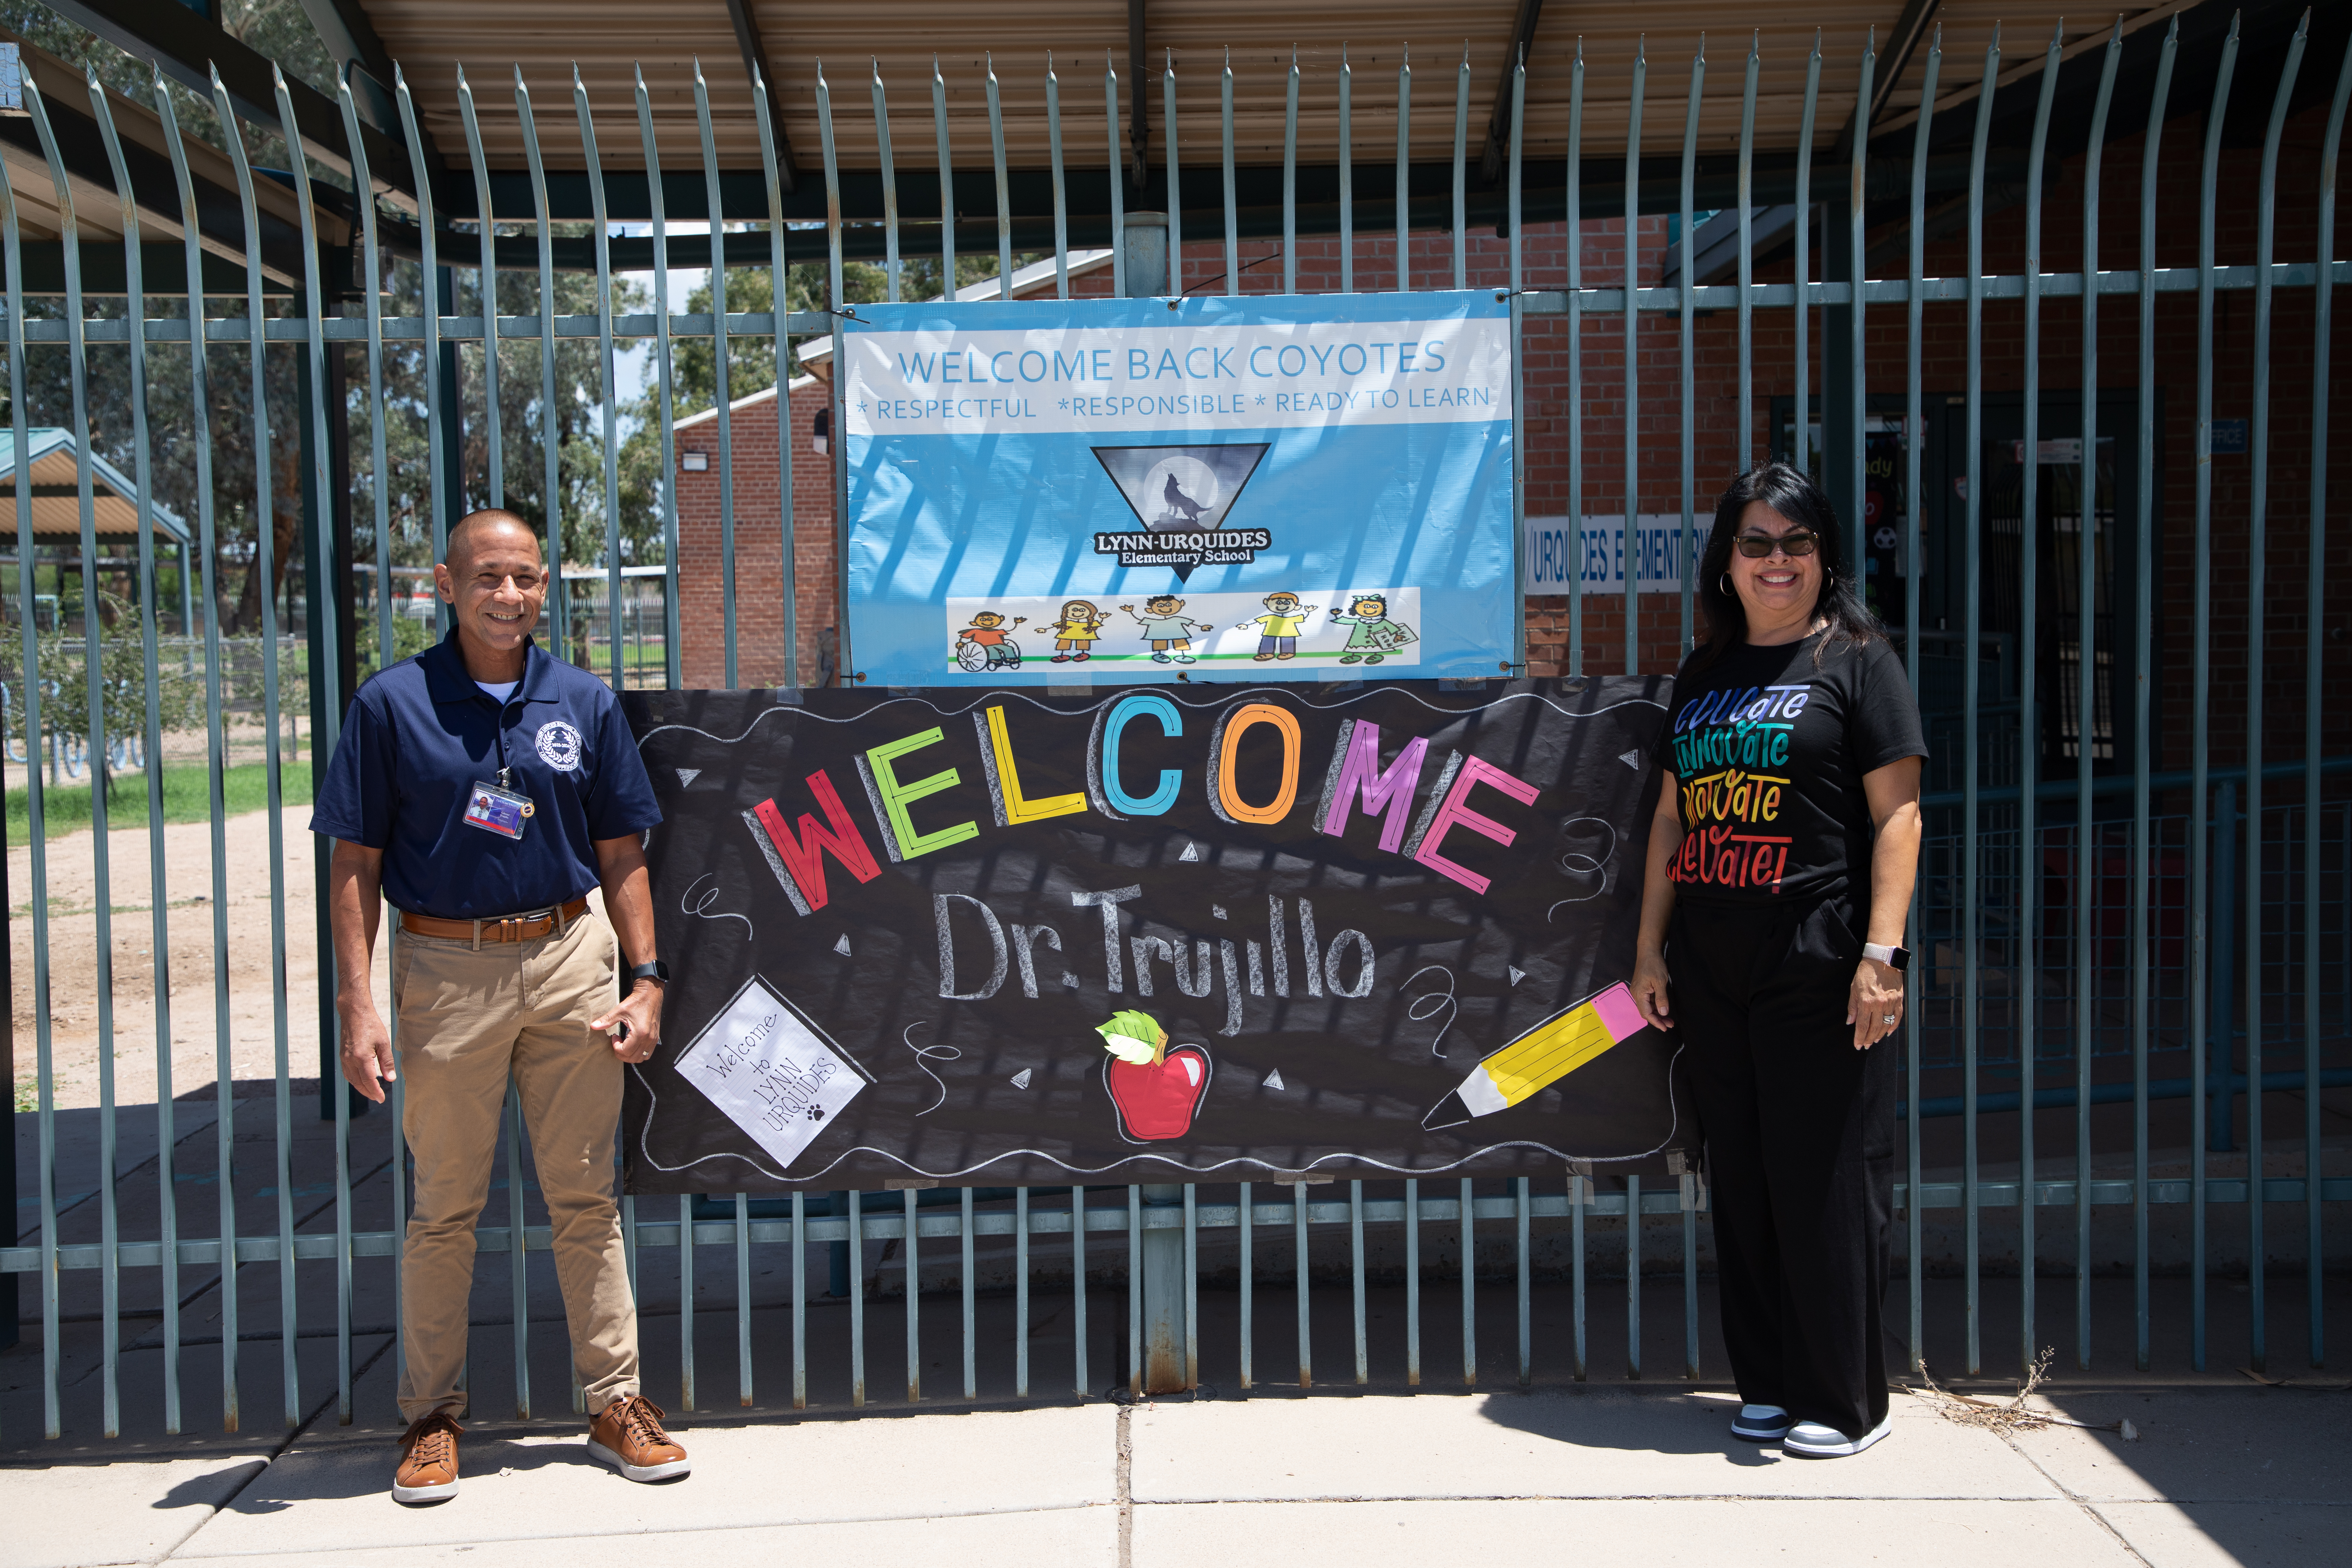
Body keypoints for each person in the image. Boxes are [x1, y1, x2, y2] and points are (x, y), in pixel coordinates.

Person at [313, 509, 691, 1503]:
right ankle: (431, 1417)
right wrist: (359, 1005)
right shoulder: (393, 704)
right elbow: (354, 863)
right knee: (444, 1208)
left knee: (586, 1200)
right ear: (445, 583)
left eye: (526, 577)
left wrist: (645, 981)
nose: (509, 595)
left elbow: (622, 854)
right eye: (488, 577)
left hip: (571, 959)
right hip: (446, 972)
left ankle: (616, 1403)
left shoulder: (582, 699)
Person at [1628, 463, 1925, 1460]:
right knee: (1745, 1181)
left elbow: (1900, 817)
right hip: (1714, 968)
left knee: (1828, 1183)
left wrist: (1882, 955)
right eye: (1756, 543)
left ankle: (1846, 1402)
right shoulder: (1705, 676)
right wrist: (1648, 955)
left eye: (1796, 543)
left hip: (1819, 960)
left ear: (1825, 558)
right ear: (1727, 563)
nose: (1776, 561)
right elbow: (1675, 815)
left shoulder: (1859, 662)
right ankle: (1763, 1383)